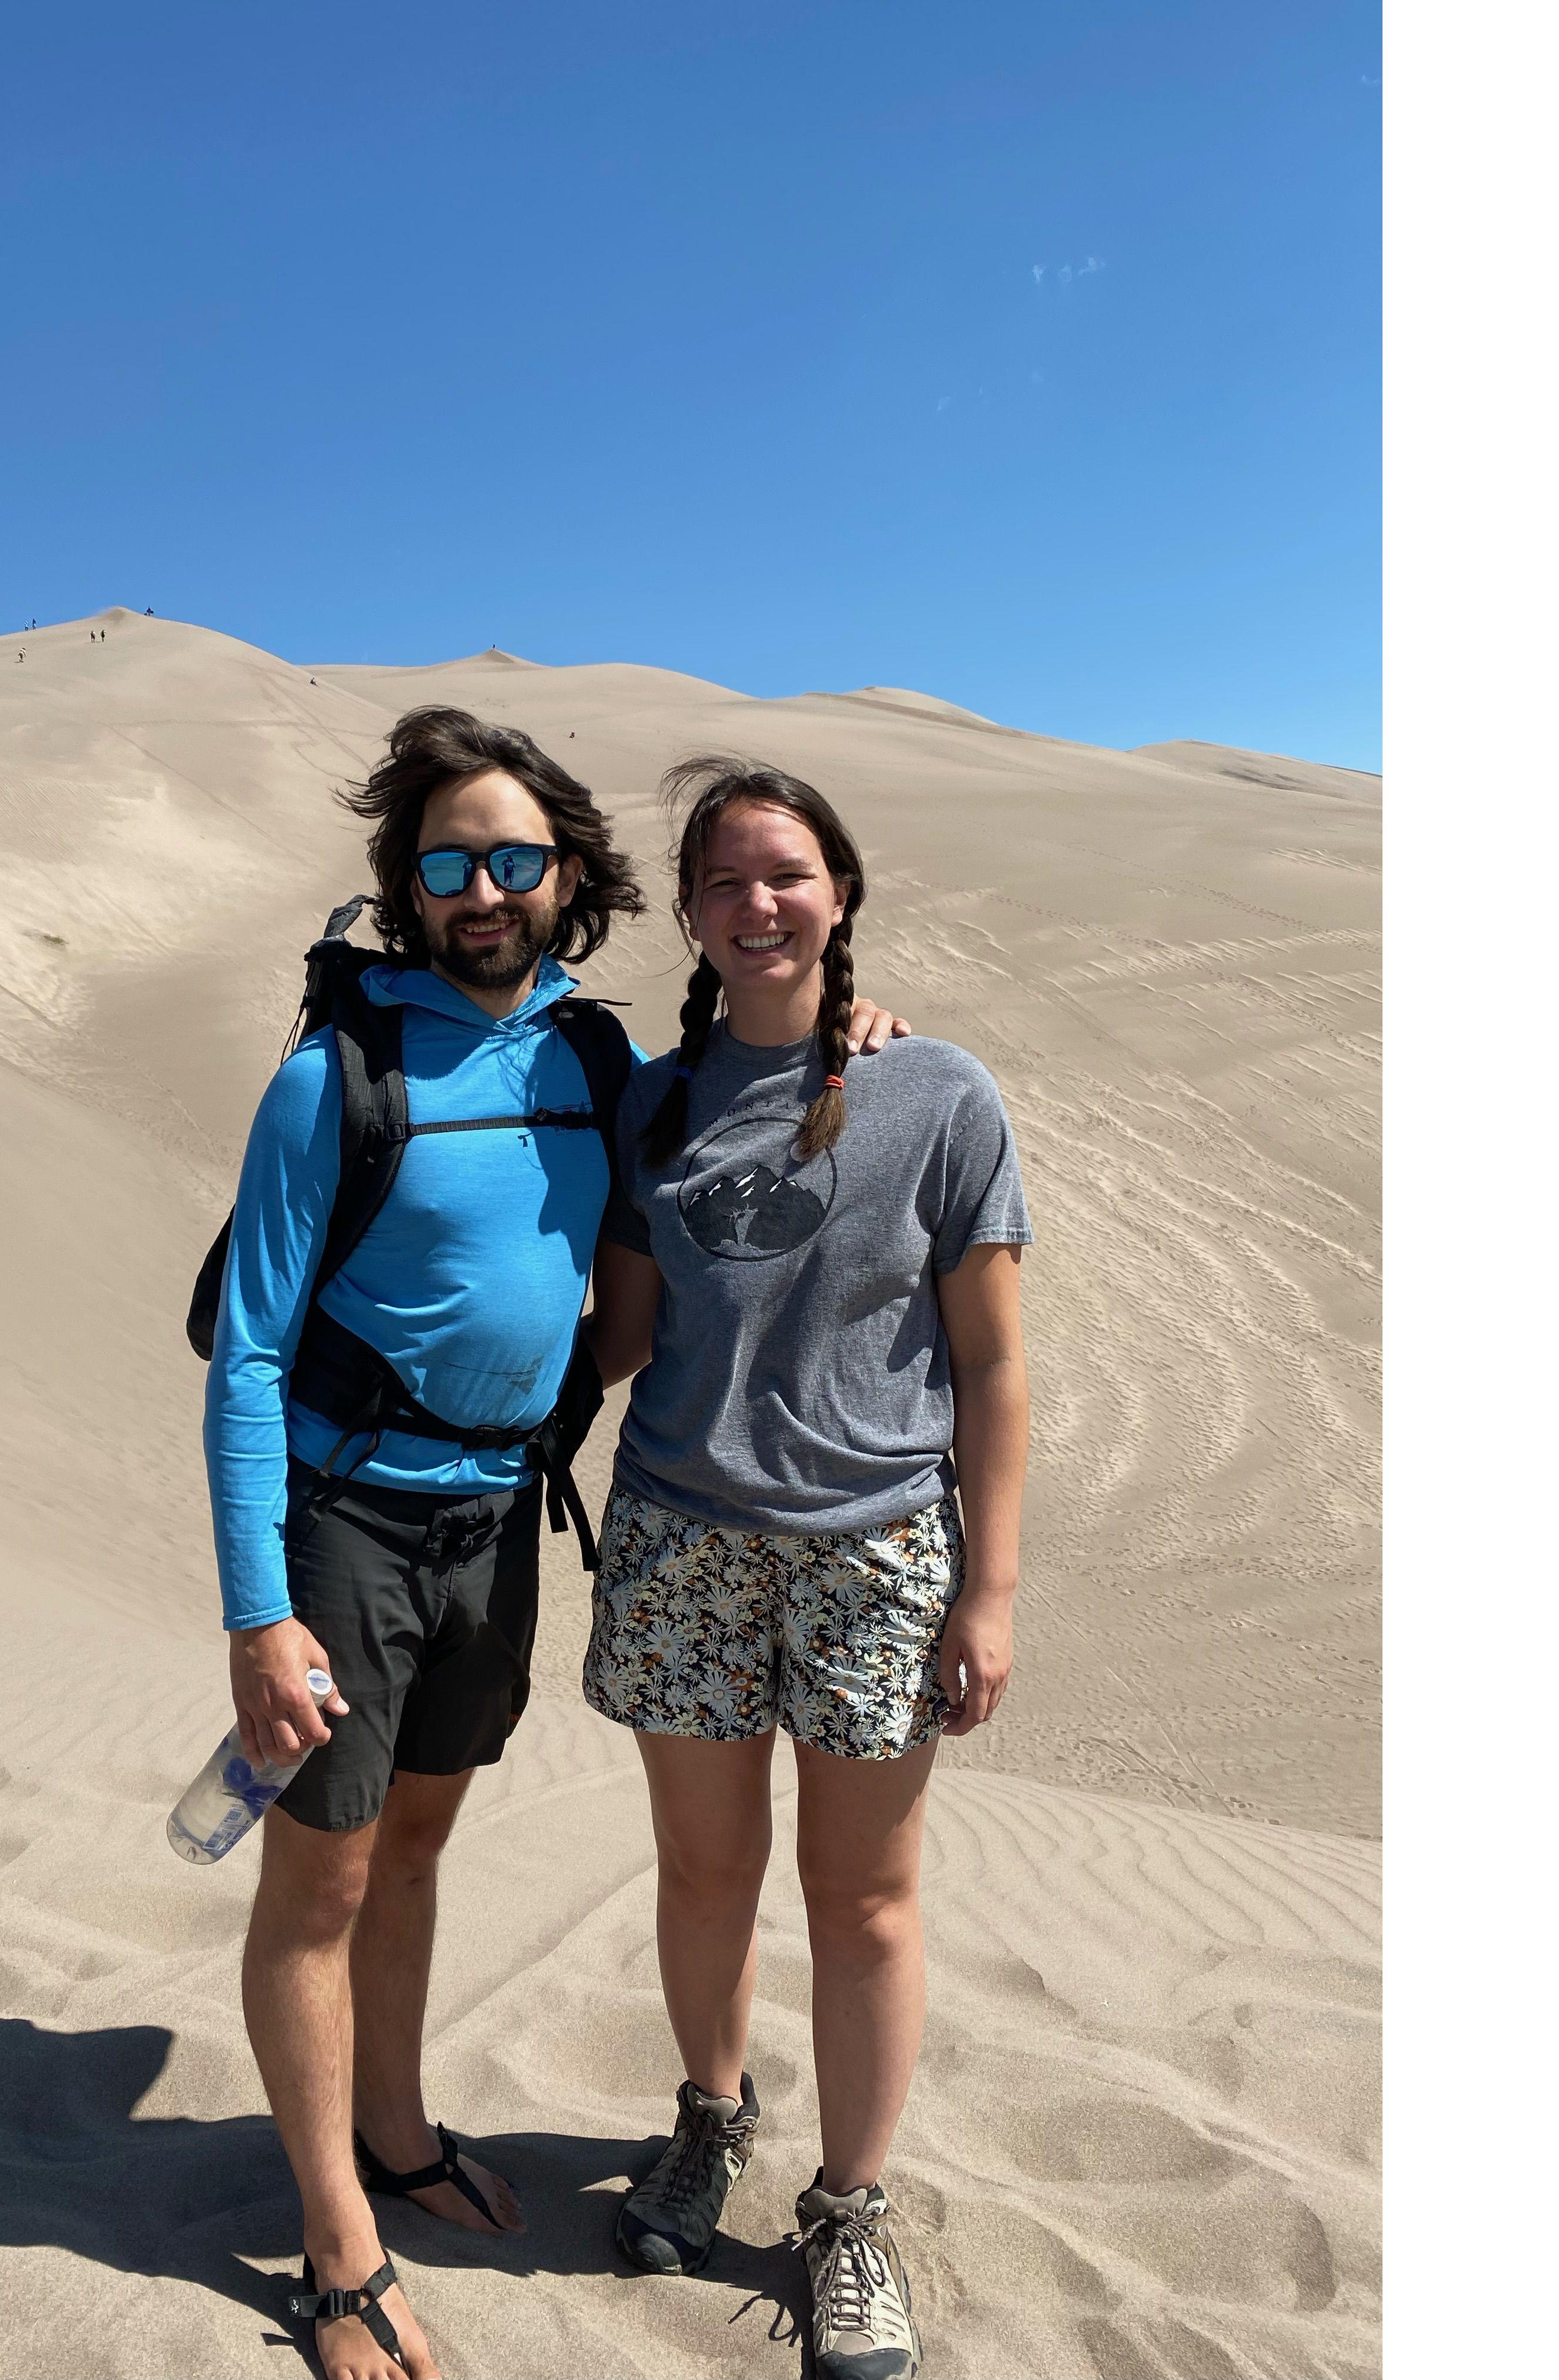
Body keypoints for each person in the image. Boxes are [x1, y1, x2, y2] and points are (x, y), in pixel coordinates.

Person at [207, 713, 904, 2380]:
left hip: (499, 1518)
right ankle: (337, 2249)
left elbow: (687, 1194)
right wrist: (258, 1616)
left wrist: (857, 1035)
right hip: (348, 1523)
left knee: (418, 1853)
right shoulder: (338, 1075)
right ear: (410, 884)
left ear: (569, 878)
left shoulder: (594, 1065)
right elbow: (244, 1351)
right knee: (323, 1880)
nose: (482, 889)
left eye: (516, 858)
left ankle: (393, 2130)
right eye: (448, 861)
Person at [586, 759, 1030, 2380]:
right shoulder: (653, 1098)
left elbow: (992, 1365)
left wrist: (987, 1591)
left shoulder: (942, 1095)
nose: (757, 904)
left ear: (839, 891)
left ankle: (849, 2214)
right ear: (692, 916)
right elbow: (625, 1337)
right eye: (724, 881)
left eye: (786, 873)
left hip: (873, 1555)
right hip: (681, 1541)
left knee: (862, 1905)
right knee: (706, 1880)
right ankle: (711, 2123)